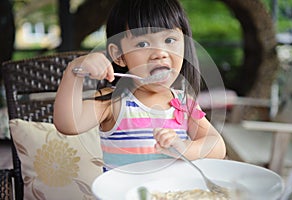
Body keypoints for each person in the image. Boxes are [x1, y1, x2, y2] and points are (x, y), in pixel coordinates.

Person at [54, 0, 226, 170]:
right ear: (119, 55)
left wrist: (185, 148)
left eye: (170, 39)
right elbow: (68, 124)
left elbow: (217, 146)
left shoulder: (183, 103)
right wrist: (73, 73)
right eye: (143, 44)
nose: (160, 53)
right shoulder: (113, 101)